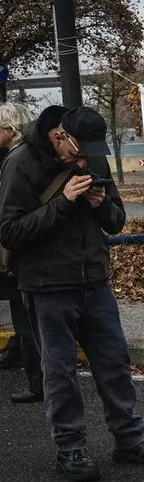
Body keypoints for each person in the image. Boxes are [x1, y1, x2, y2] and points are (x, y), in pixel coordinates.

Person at [0, 105, 144, 482]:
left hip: (94, 281)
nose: (83, 162)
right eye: (78, 154)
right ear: (59, 136)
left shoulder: (90, 153)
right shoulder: (21, 162)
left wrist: (101, 206)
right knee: (60, 371)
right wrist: (63, 203)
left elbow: (116, 221)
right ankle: (70, 447)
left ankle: (129, 439)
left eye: (90, 156)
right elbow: (10, 232)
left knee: (114, 363)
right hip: (47, 286)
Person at [0, 100, 44, 402]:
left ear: (9, 127)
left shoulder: (14, 160)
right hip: (33, 247)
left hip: (16, 250)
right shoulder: (37, 153)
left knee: (24, 316)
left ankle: (38, 382)